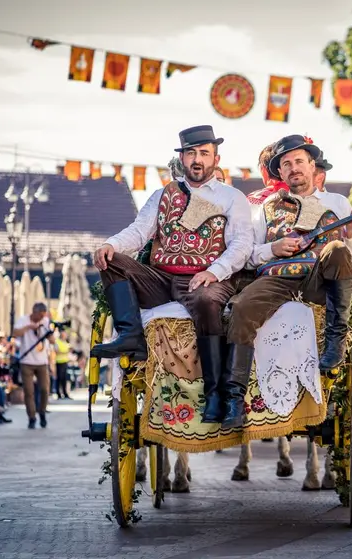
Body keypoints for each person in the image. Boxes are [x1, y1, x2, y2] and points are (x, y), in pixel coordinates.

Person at [92, 125, 253, 424]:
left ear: (216, 159)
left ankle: (215, 394)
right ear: (182, 158)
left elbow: (242, 244)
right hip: (162, 278)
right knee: (112, 261)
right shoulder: (163, 194)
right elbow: (139, 232)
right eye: (191, 153)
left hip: (207, 277)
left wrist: (214, 271)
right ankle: (130, 335)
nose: (197, 160)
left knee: (207, 301)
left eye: (204, 153)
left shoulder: (231, 197)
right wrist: (111, 244)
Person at [225, 135, 352, 428]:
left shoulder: (337, 203)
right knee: (241, 307)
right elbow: (248, 255)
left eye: (299, 161)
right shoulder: (266, 207)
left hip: (319, 279)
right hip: (278, 277)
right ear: (280, 172)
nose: (294, 168)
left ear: (312, 166)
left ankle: (335, 343)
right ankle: (234, 399)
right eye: (287, 164)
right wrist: (273, 248)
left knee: (337, 248)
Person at [13, 302, 54, 429]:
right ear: (34, 312)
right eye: (40, 315)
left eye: (43, 316)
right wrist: (29, 327)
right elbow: (15, 333)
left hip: (42, 362)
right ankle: (31, 417)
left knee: (45, 389)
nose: (41, 318)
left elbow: (52, 340)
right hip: (26, 361)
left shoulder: (45, 321)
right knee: (29, 391)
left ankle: (42, 411)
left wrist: (46, 330)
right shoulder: (23, 320)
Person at [54, 329, 72, 399]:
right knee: (59, 378)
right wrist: (66, 352)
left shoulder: (66, 342)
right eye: (64, 333)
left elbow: (69, 350)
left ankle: (65, 393)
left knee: (64, 379)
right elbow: (57, 351)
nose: (65, 335)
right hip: (59, 362)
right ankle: (58, 393)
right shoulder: (57, 341)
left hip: (65, 362)